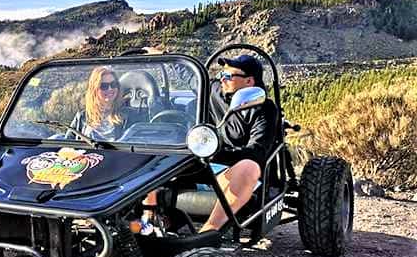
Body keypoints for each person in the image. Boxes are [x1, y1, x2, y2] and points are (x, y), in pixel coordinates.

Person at [145, 54, 278, 233]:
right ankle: (149, 219)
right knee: (154, 147)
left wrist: (216, 152)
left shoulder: (264, 109)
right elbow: (191, 76)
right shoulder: (216, 91)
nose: (222, 79)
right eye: (222, 75)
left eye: (229, 76)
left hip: (234, 168)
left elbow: (257, 152)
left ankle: (209, 232)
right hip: (203, 164)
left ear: (248, 82)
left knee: (249, 167)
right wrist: (162, 55)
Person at [68, 66, 129, 142]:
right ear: (94, 89)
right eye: (104, 86)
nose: (110, 89)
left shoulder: (128, 115)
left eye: (113, 84)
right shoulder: (82, 117)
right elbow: (67, 145)